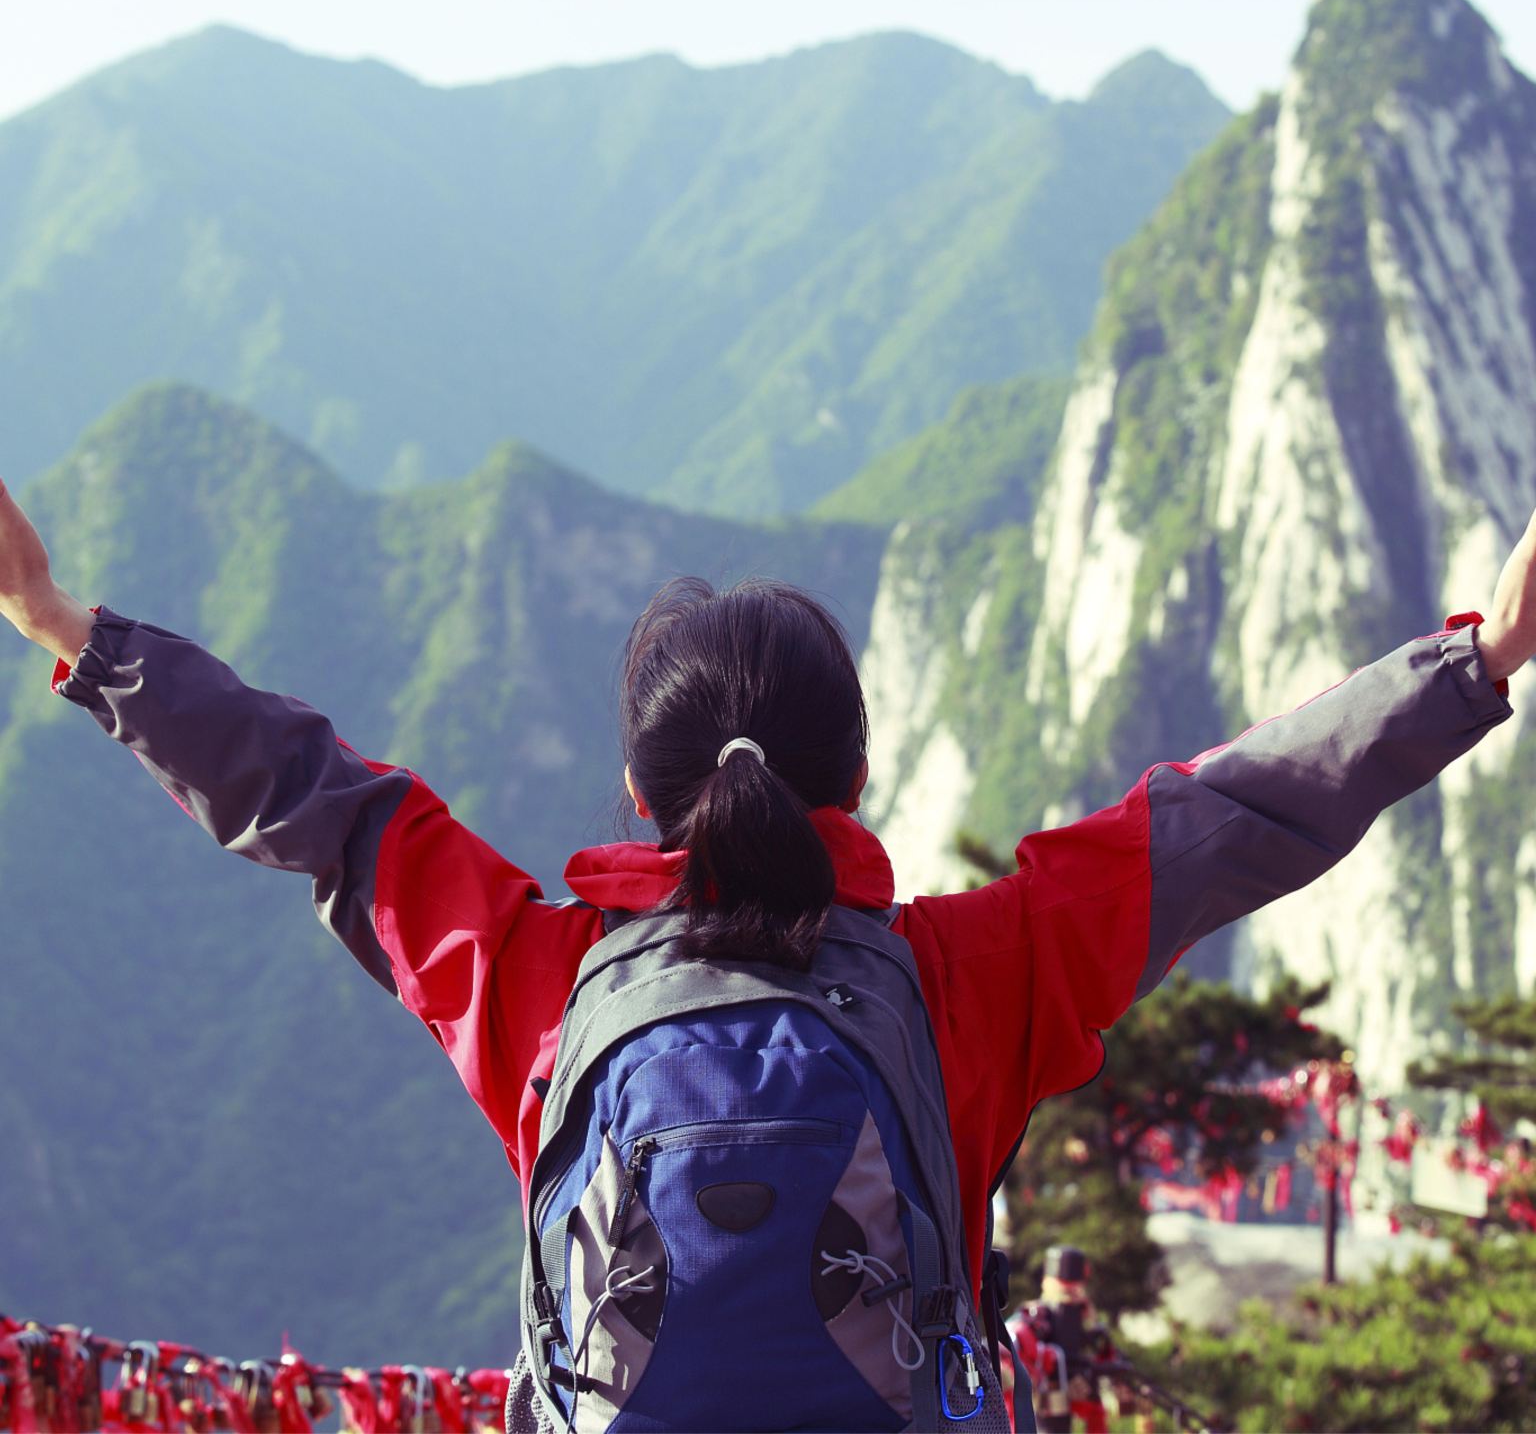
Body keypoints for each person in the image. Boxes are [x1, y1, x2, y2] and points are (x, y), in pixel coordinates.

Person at [2, 475, 1533, 1432]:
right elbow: (1234, 816)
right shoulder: (970, 978)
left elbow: (316, 802)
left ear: (638, 790)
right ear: (856, 773)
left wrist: (58, 617)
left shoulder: (540, 983)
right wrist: (1483, 661)